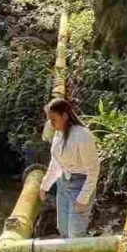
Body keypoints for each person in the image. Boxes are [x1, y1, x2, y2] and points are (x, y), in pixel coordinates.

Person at [39, 98, 100, 238]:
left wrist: (83, 197)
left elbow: (93, 169)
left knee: (75, 235)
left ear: (65, 116)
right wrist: (45, 186)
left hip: (80, 185)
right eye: (49, 119)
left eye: (53, 119)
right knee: (64, 231)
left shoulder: (82, 135)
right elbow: (55, 164)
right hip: (63, 185)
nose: (51, 124)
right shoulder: (58, 134)